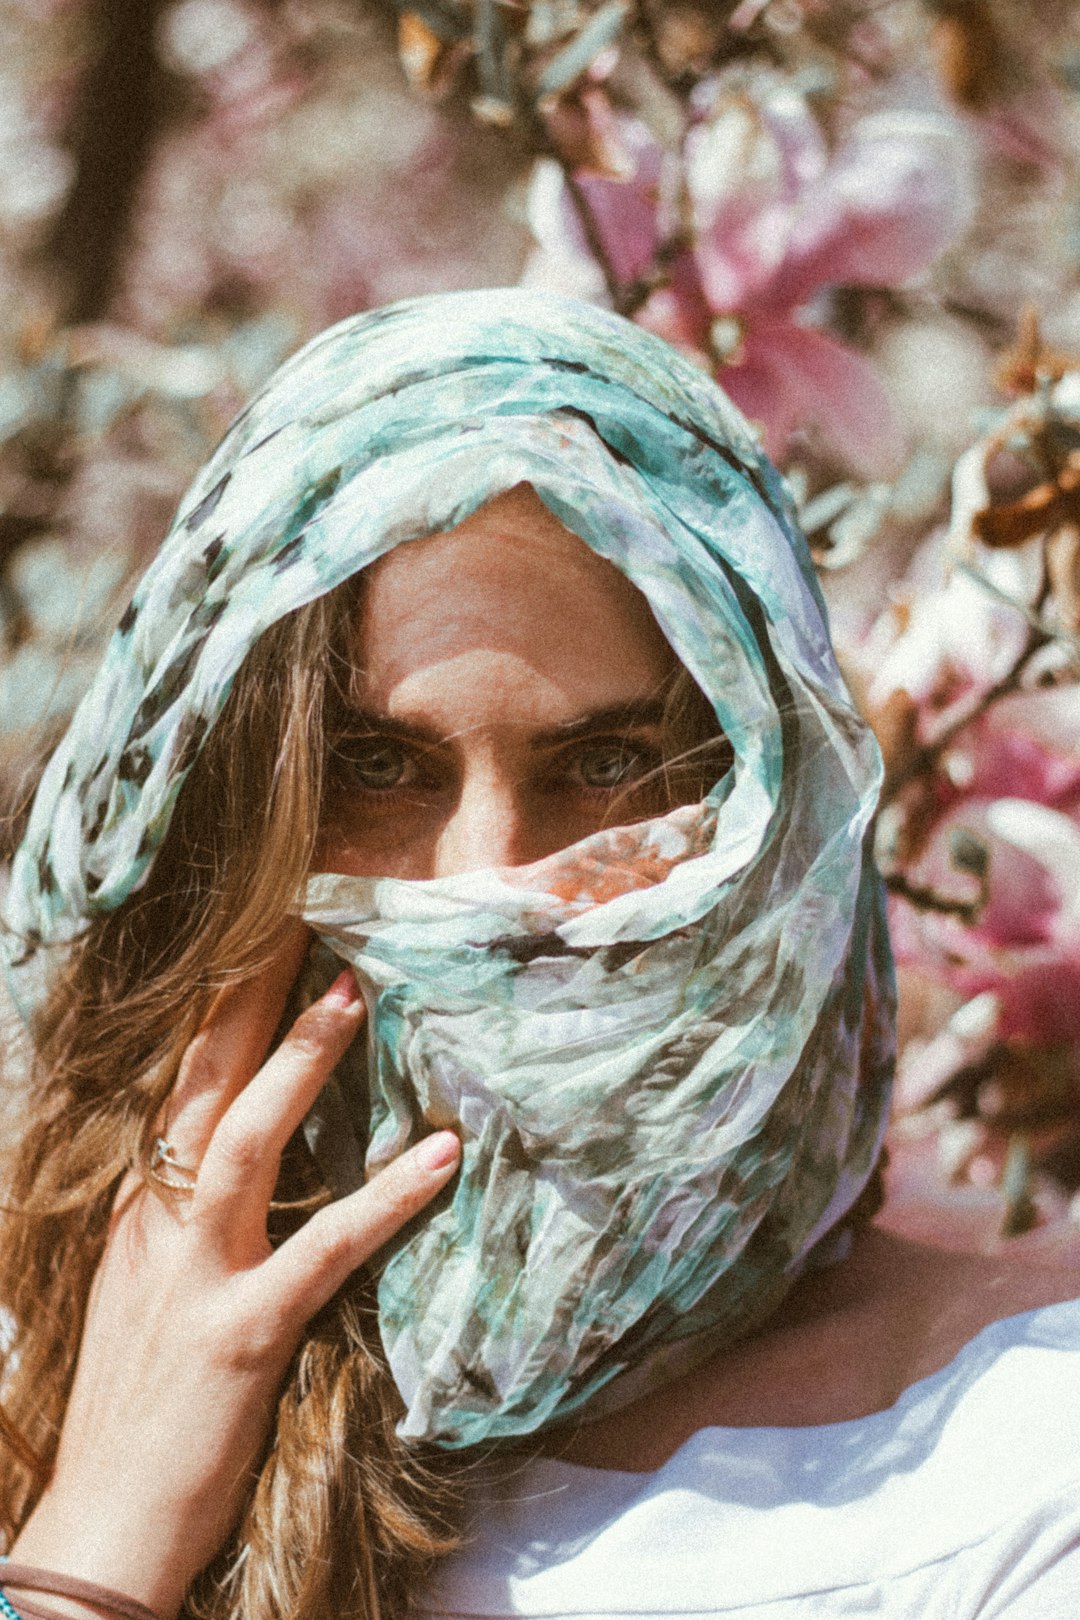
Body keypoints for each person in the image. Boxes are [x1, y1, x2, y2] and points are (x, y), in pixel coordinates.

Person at [0, 288, 1077, 1620]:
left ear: (782, 816)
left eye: (611, 764)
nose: (494, 884)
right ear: (216, 814)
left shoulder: (1012, 1474)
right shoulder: (56, 1359)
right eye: (377, 767)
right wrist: (102, 1526)